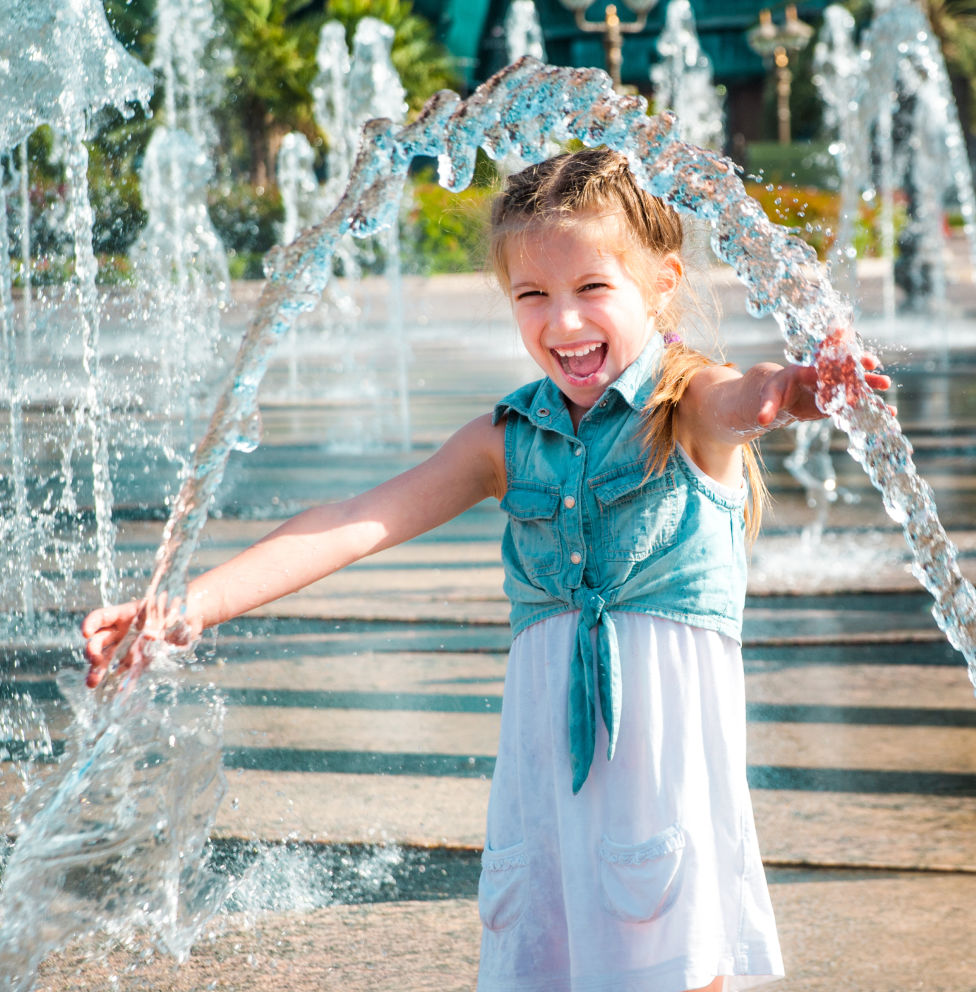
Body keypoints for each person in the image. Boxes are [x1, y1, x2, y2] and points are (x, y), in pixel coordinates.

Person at [83, 147, 890, 992]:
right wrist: (187, 606)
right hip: (544, 772)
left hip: (659, 766)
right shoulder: (505, 438)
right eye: (532, 296)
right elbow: (351, 522)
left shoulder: (682, 408)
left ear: (661, 284)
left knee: (671, 960)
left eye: (592, 289)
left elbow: (743, 396)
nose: (563, 323)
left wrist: (794, 390)